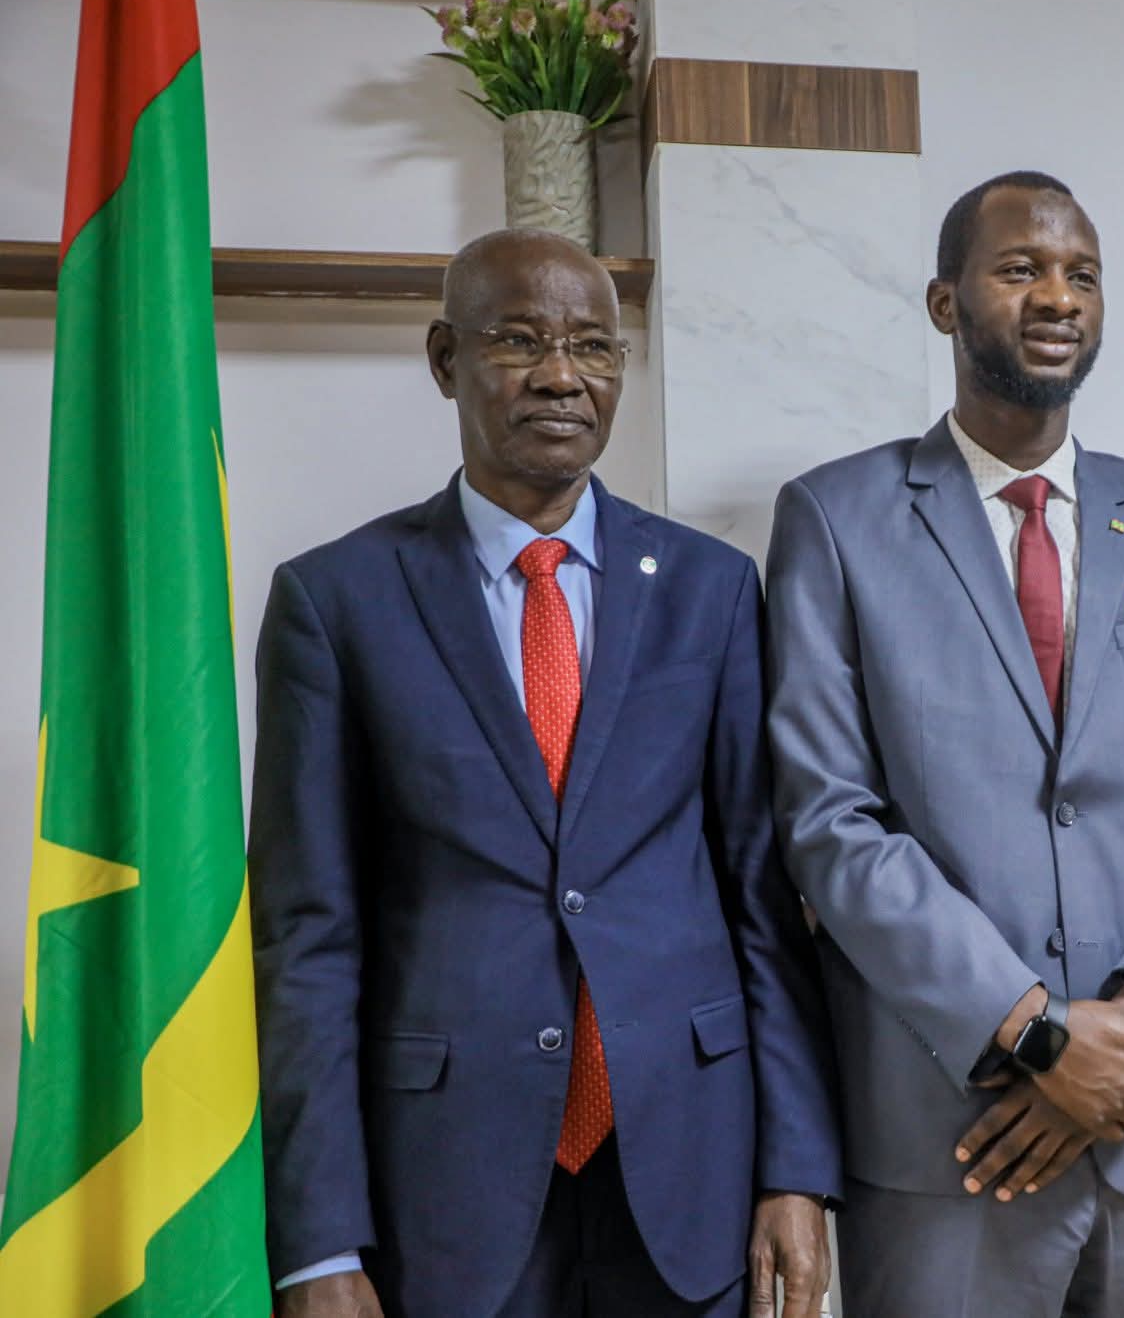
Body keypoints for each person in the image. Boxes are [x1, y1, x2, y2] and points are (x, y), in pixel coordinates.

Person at [249, 228, 840, 1318]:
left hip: (690, 1169)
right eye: (519, 340)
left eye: (593, 347)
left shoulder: (712, 589)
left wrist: (795, 1169)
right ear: (446, 360)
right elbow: (306, 939)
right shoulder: (336, 603)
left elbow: (765, 901)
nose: (562, 376)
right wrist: (318, 1240)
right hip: (448, 1183)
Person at [764, 172, 1124, 1315]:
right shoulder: (835, 521)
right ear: (943, 302)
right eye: (1019, 269)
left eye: (1080, 275)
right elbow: (830, 819)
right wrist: (1036, 1033)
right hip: (951, 1139)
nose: (1056, 296)